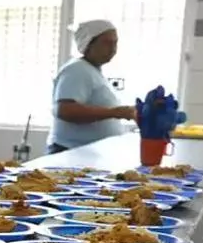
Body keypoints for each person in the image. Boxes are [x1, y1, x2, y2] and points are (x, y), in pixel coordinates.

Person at [47, 19, 138, 154]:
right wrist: (115, 112)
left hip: (86, 154)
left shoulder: (93, 71)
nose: (113, 49)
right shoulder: (76, 69)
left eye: (115, 43)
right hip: (70, 152)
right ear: (88, 44)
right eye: (107, 43)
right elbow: (66, 110)